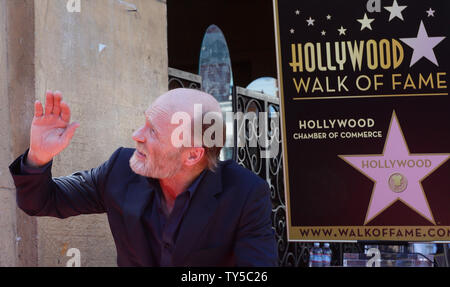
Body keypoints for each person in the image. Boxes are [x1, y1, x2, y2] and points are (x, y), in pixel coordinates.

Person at [8, 88, 278, 267]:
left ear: (193, 155)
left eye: (153, 131)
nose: (137, 134)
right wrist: (38, 157)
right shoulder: (120, 169)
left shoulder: (245, 194)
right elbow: (42, 201)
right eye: (145, 122)